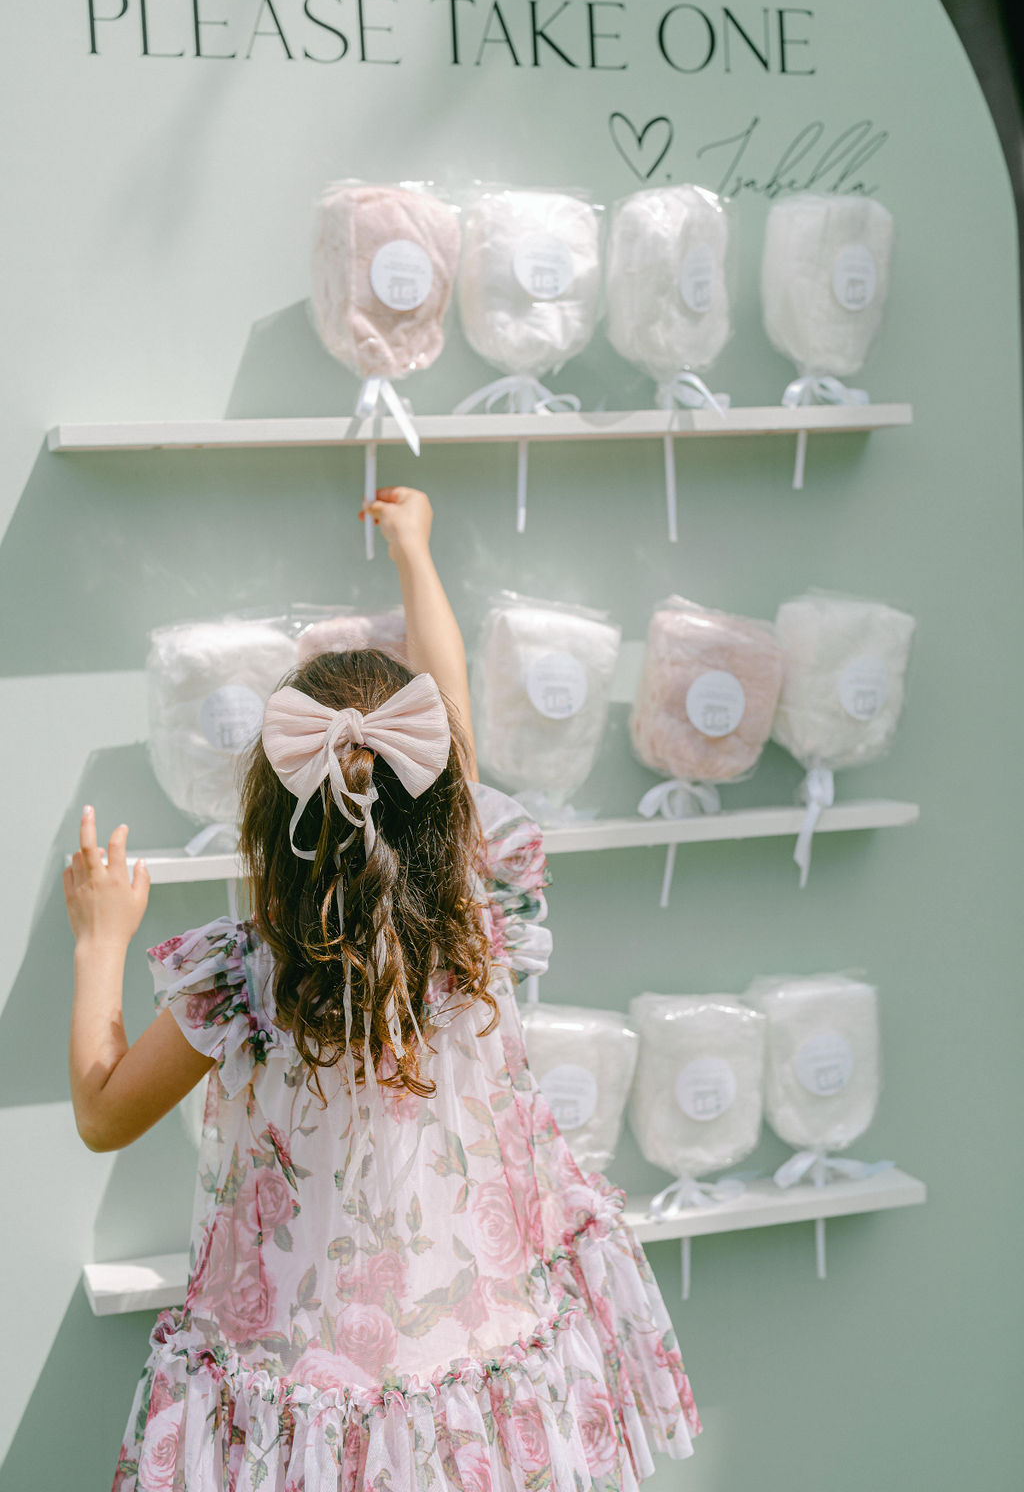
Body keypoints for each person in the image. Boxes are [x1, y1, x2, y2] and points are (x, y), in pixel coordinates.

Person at [65, 486, 701, 1491]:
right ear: (439, 798)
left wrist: (100, 938)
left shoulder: (242, 981)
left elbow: (102, 1112)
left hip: (303, 1392)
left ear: (271, 823)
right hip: (474, 1372)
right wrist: (416, 553)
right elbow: (455, 726)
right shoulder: (477, 918)